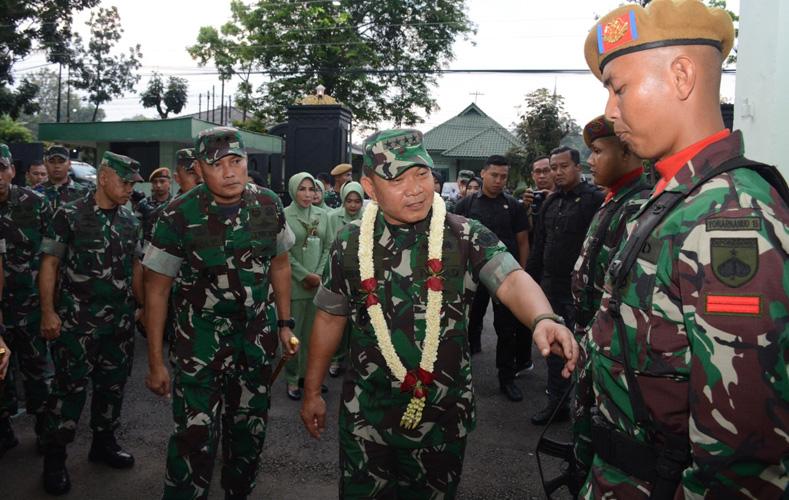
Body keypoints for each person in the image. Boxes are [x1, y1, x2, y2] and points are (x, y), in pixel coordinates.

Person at [577, 1, 789, 498]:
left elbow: (742, 457)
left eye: (619, 87)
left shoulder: (730, 218)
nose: (611, 110)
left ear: (680, 76)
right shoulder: (676, 198)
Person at [299, 129, 578, 498]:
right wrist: (313, 391)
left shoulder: (464, 235)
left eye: (422, 174)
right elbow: (329, 317)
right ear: (369, 186)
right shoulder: (350, 243)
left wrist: (543, 318)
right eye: (397, 178)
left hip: (443, 419)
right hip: (367, 417)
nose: (415, 188)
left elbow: (510, 278)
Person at [143, 127, 297, 500]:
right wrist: (155, 361)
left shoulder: (268, 203)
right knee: (194, 436)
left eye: (236, 161)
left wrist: (285, 324)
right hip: (199, 344)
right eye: (216, 164)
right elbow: (157, 290)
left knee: (248, 431)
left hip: (255, 342)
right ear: (198, 168)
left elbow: (280, 264)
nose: (229, 172)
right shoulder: (177, 215)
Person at [38, 151, 144, 495]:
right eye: (124, 181)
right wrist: (48, 312)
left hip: (119, 324)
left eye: (132, 183)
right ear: (103, 177)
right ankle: (54, 458)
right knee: (68, 391)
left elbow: (136, 267)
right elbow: (50, 264)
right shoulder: (69, 214)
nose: (129, 189)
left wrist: (141, 306)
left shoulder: (131, 220)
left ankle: (103, 443)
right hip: (76, 323)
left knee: (112, 387)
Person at [569, 116, 652, 470]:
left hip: (611, 349)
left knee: (600, 437)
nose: (590, 161)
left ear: (627, 150)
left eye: (599, 151)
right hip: (590, 339)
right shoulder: (614, 201)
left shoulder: (640, 205)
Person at [526, 146, 604, 424]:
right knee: (554, 350)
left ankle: (590, 410)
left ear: (578, 167)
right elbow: (539, 247)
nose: (557, 173)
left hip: (579, 291)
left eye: (563, 167)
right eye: (553, 167)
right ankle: (557, 404)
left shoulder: (596, 200)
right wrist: (529, 282)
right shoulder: (549, 202)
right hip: (550, 287)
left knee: (584, 349)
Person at [455, 156, 532, 401]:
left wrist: (521, 275)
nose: (499, 181)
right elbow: (455, 240)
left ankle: (507, 378)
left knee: (506, 329)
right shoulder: (465, 205)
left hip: (504, 277)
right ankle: (458, 376)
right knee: (466, 325)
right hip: (472, 276)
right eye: (494, 175)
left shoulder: (514, 206)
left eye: (503, 177)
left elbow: (523, 242)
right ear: (483, 174)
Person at [0, 143, 53, 457]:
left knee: (37, 372)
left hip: (32, 306)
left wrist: (51, 305)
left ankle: (45, 431)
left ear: (12, 170)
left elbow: (53, 253)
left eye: (2, 168)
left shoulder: (35, 203)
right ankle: (4, 430)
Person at [283, 172, 328, 400]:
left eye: (312, 189)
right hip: (294, 285)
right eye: (302, 189)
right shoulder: (284, 215)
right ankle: (292, 379)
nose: (308, 194)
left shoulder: (323, 215)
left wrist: (318, 275)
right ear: (293, 190)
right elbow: (283, 254)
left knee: (315, 337)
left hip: (317, 287)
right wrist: (304, 275)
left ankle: (309, 378)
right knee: (294, 337)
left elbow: (329, 247)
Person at [320, 181, 365, 378]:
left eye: (357, 201)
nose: (353, 205)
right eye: (349, 200)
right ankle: (336, 359)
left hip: (360, 275)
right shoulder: (332, 217)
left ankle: (354, 359)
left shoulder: (368, 218)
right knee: (335, 318)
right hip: (338, 272)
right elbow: (329, 245)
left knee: (356, 321)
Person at [39, 145, 89, 212]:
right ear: (45, 164)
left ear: (69, 164)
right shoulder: (36, 192)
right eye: (52, 161)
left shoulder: (84, 193)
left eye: (61, 161)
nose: (57, 166)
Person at [136, 167, 173, 245]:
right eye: (155, 182)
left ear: (170, 183)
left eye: (162, 181)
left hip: (169, 249)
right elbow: (135, 229)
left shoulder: (175, 203)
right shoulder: (143, 204)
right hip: (147, 249)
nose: (158, 185)